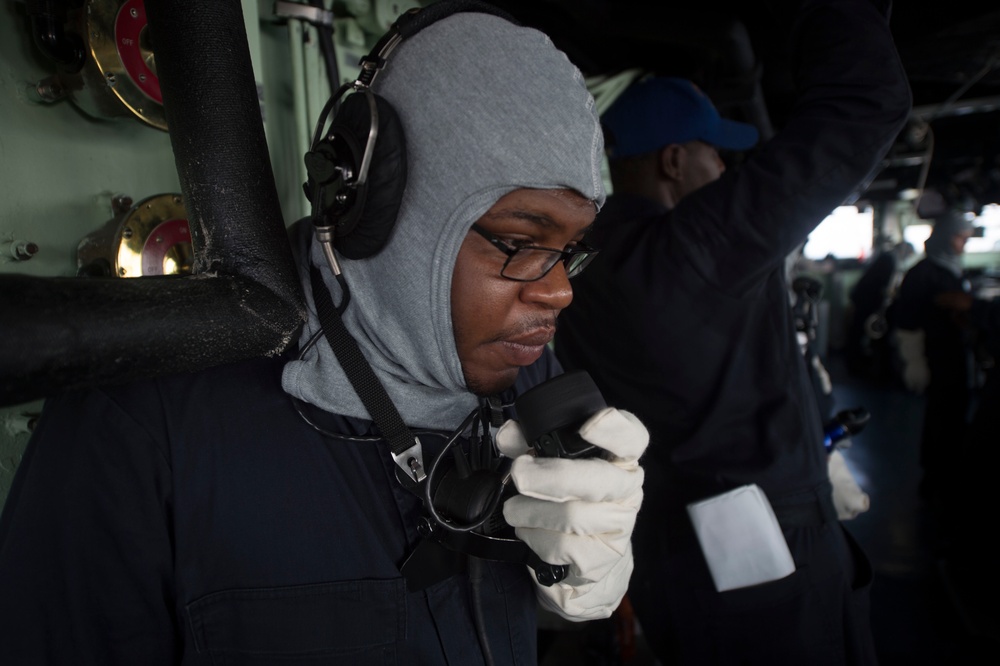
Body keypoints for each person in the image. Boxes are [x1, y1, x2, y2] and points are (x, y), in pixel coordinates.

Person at [0, 5, 648, 665]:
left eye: (570, 250)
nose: (559, 290)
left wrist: (579, 578)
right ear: (376, 206)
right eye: (518, 241)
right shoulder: (137, 422)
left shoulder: (528, 383)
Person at [553, 0, 911, 662]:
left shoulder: (578, 263)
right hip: (769, 551)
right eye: (713, 153)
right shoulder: (697, 248)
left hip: (663, 551)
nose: (722, 169)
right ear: (673, 160)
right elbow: (867, 104)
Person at [892, 211, 975, 501]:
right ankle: (936, 474)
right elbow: (907, 321)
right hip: (934, 354)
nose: (962, 245)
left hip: (953, 351)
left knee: (954, 410)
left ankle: (950, 466)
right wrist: (914, 362)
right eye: (959, 238)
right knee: (941, 413)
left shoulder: (951, 269)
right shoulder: (924, 273)